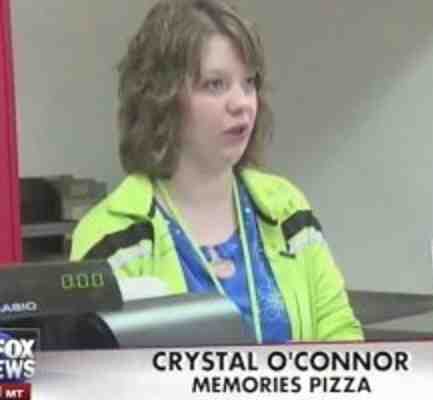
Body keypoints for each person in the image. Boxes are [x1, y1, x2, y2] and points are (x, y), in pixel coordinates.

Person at [70, 0, 363, 344]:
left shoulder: (288, 211)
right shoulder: (112, 238)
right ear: (162, 98)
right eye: (215, 84)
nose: (242, 103)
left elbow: (344, 341)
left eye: (248, 82)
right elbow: (104, 370)